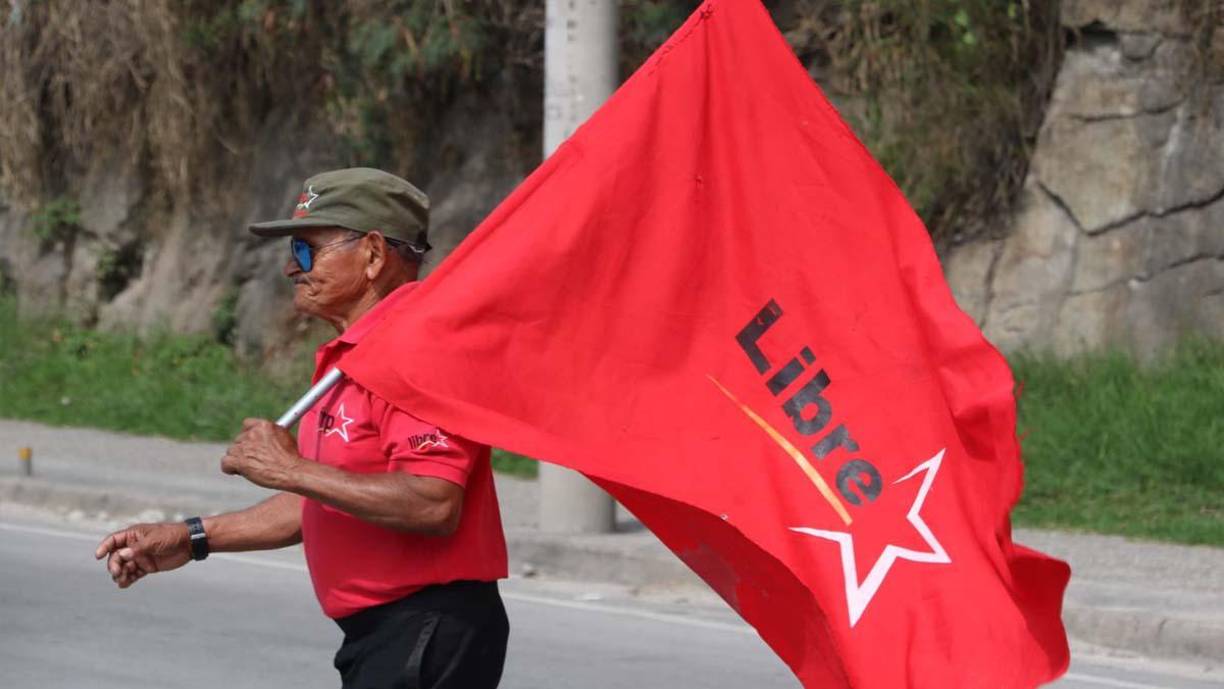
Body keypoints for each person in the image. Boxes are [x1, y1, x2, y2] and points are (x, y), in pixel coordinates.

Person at [94, 167, 510, 689]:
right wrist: (192, 536)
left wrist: (290, 468)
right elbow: (322, 499)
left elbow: (432, 502)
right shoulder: (357, 354)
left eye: (306, 249)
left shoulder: (418, 351)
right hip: (387, 633)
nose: (292, 268)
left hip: (427, 627)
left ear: (374, 255)